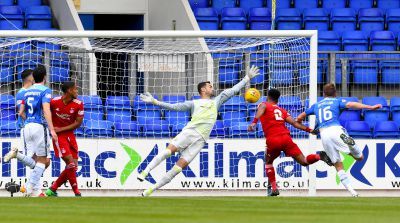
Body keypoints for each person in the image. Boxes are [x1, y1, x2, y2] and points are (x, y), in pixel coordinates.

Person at [137, 65, 260, 196]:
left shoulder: (216, 101)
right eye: (209, 86)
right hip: (189, 132)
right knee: (168, 152)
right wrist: (155, 102)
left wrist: (247, 78)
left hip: (200, 140)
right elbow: (174, 107)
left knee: (177, 169)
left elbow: (233, 90)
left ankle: (151, 190)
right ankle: (146, 171)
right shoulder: (194, 103)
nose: (212, 88)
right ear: (203, 89)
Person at [296, 83, 382, 197]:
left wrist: (310, 130)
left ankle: (353, 193)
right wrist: (370, 107)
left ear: (323, 94)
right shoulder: (337, 101)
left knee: (338, 165)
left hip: (324, 134)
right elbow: (351, 104)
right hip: (337, 130)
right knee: (360, 158)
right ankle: (350, 145)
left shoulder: (316, 105)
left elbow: (298, 118)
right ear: (335, 93)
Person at [248, 88, 333, 196]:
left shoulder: (264, 104)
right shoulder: (282, 111)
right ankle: (319, 156)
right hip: (286, 138)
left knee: (269, 162)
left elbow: (263, 107)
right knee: (304, 161)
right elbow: (294, 123)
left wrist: (254, 122)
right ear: (278, 99)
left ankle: (274, 188)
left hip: (273, 140)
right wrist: (310, 130)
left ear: (267, 97)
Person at [4, 64, 58, 197]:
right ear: (45, 77)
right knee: (43, 161)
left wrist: (29, 120)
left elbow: (21, 111)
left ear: (34, 77)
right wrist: (52, 130)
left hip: (27, 126)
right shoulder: (45, 91)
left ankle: (34, 189)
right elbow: (46, 110)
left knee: (36, 161)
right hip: (39, 127)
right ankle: (29, 188)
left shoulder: (26, 92)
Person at [45, 81, 84, 197]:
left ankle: (52, 189)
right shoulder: (54, 102)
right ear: (69, 91)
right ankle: (76, 192)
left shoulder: (79, 104)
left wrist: (60, 129)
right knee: (71, 164)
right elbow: (45, 111)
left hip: (70, 136)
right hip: (59, 138)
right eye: (75, 89)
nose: (77, 91)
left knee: (73, 167)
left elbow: (78, 123)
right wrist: (51, 128)